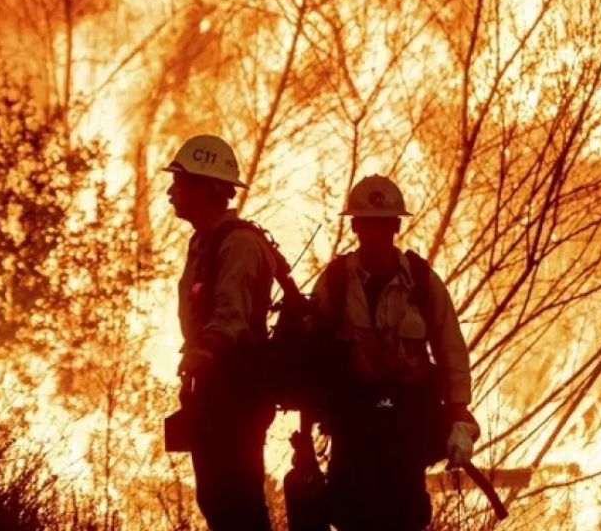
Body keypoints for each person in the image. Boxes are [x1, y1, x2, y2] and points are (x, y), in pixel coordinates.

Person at [312, 174, 480, 531]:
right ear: (355, 226)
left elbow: (450, 347)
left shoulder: (421, 280)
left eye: (383, 224)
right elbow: (312, 348)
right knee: (349, 510)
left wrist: (459, 412)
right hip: (352, 416)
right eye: (368, 224)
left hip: (407, 418)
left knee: (405, 513)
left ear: (396, 226)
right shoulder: (336, 281)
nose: (375, 233)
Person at [163, 133, 277, 531]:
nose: (170, 193)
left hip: (238, 390)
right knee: (215, 500)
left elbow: (232, 314)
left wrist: (206, 349)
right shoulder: (204, 243)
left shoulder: (240, 244)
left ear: (207, 187)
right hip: (212, 389)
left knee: (238, 502)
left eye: (179, 183)